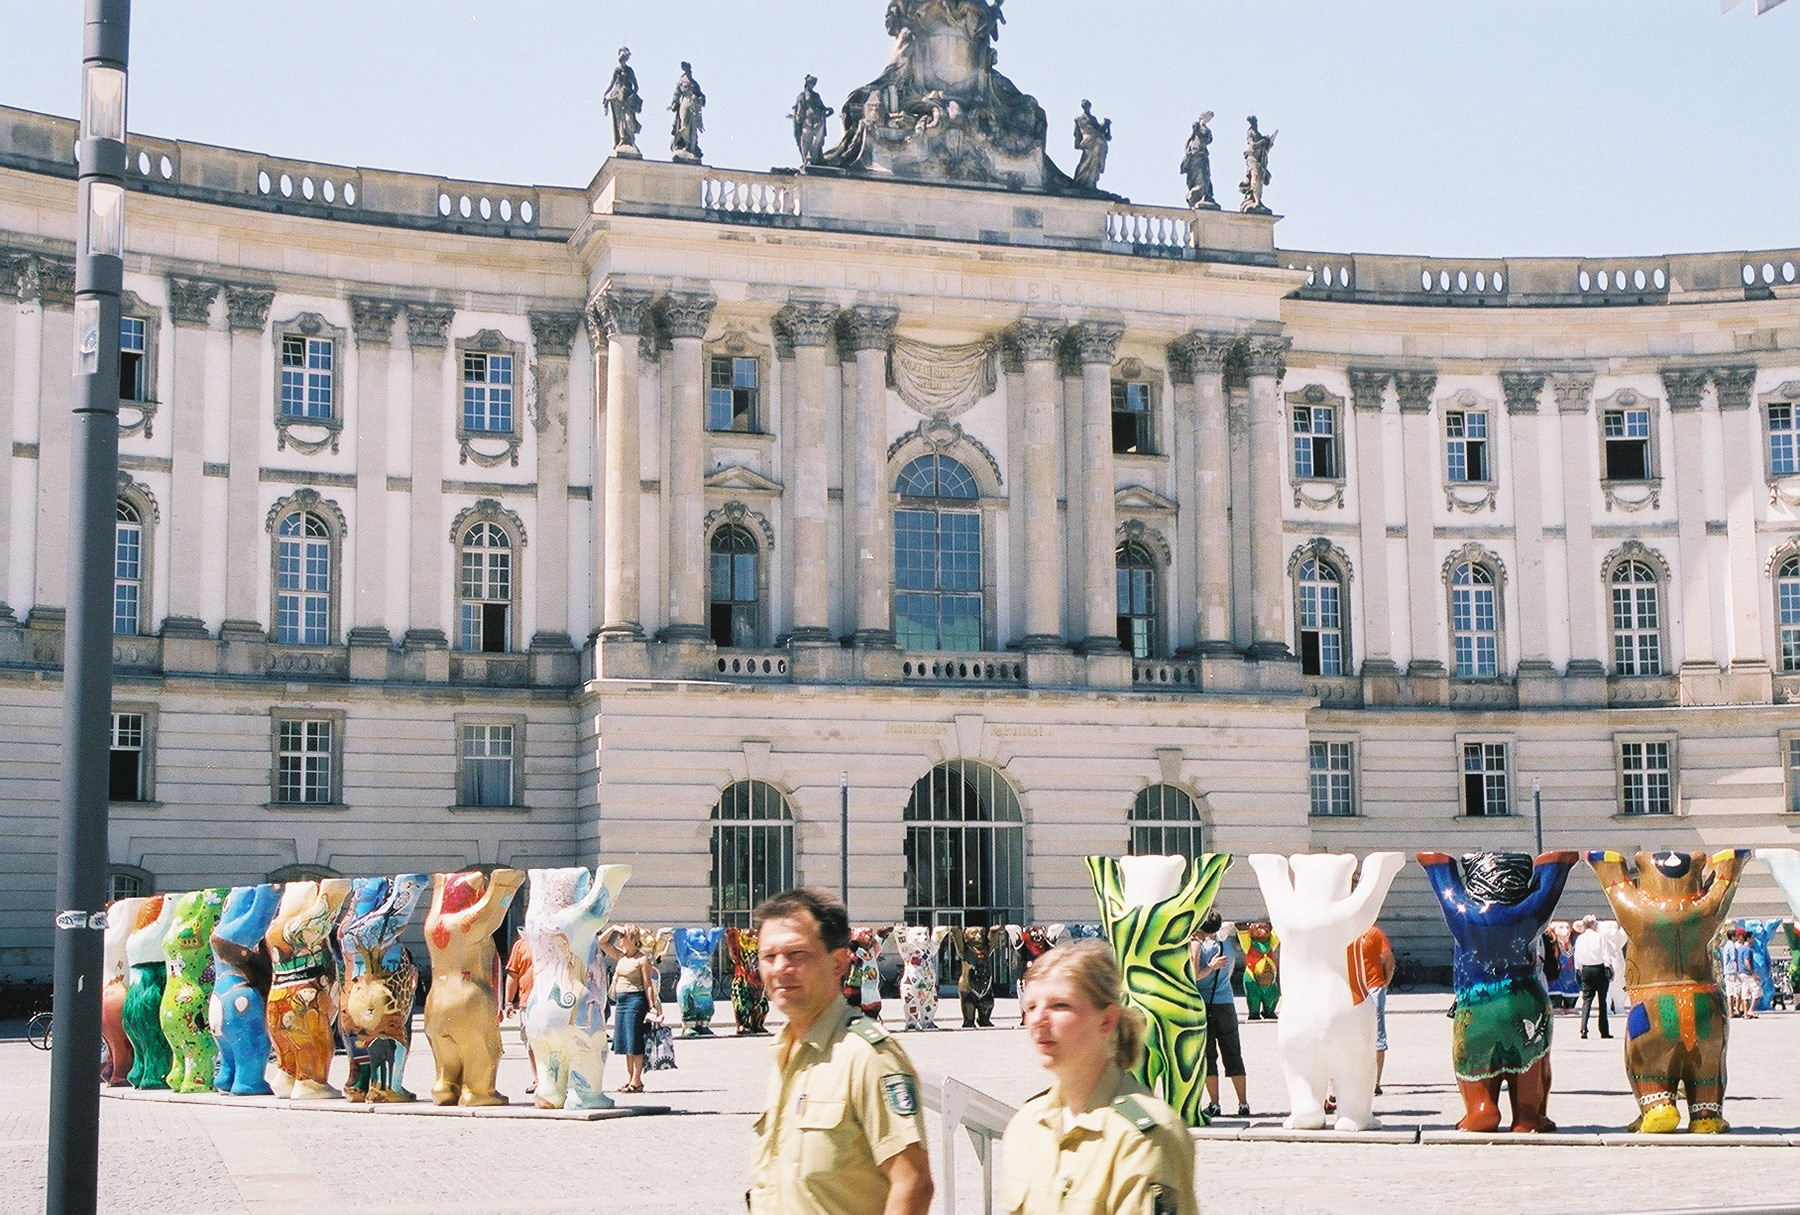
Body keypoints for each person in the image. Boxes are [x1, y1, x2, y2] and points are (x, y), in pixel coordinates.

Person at [749, 888, 932, 1215]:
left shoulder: (868, 1057)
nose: (780, 968)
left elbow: (913, 1183)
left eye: (797, 954)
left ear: (838, 962)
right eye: (768, 956)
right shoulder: (784, 1051)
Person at [1002, 940, 1200, 1215]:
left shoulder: (1144, 1138)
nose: (1038, 1019)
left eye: (1060, 1005)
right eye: (1031, 1006)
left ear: (1106, 1020)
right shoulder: (1027, 1124)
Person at [1190, 910, 1247, 1119]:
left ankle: (1214, 1104)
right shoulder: (1228, 947)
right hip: (1227, 1004)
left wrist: (1209, 968)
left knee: (1209, 1056)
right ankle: (1243, 1103)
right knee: (1233, 1054)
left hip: (1206, 1005)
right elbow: (1229, 973)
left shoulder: (1197, 946)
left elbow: (1195, 975)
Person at [600, 924, 662, 1093]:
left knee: (635, 1042)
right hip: (622, 1002)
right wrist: (613, 928)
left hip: (636, 1002)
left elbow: (648, 984)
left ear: (633, 939)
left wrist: (651, 1007)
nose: (620, 939)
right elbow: (601, 942)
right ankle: (630, 1079)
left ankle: (637, 1080)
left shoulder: (642, 959)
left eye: (623, 936)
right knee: (626, 1042)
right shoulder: (621, 956)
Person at [1352, 923, 1396, 1095]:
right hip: (1353, 989)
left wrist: (1384, 983)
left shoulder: (1374, 933)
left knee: (1377, 1035)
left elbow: (1388, 960)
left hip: (1372, 987)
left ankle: (1375, 1083)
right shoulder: (1345, 932)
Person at [502, 930, 537, 1094]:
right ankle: (538, 1079)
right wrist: (509, 1001)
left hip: (550, 1001)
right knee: (530, 1043)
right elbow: (513, 974)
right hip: (526, 1003)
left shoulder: (557, 941)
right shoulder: (521, 945)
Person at [1572, 914, 1612, 1039]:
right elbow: (1605, 954)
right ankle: (1604, 1031)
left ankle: (1583, 1029)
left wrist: (1578, 969)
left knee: (1587, 1000)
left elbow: (1577, 956)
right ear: (1593, 924)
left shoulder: (1580, 938)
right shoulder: (1599, 937)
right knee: (1602, 1001)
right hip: (1599, 968)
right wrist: (1609, 968)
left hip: (1586, 970)